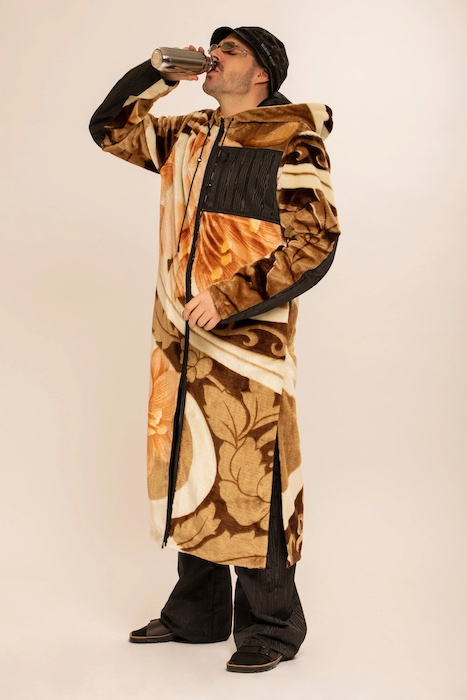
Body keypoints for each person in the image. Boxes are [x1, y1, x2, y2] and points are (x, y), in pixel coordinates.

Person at [89, 25, 340, 674]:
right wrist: (158, 73)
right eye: (213, 47)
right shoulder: (188, 134)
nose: (213, 57)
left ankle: (273, 626)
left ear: (261, 73)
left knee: (256, 476)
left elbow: (314, 242)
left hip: (244, 344)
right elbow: (109, 129)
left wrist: (230, 297)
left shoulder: (292, 139)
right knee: (189, 466)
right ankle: (197, 614)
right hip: (178, 341)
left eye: (229, 50)